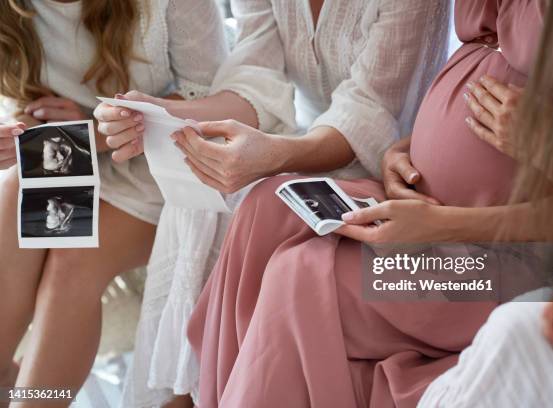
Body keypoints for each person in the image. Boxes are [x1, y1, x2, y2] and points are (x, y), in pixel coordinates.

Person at [185, 0, 553, 406]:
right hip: (426, 203)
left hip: (499, 258)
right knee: (267, 207)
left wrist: (443, 222)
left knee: (303, 277)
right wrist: (405, 149)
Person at [94, 1, 451, 406]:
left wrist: (277, 155)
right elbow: (254, 73)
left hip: (392, 169)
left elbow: (370, 110)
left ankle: (220, 388)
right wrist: (171, 116)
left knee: (260, 203)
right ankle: (188, 390)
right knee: (201, 199)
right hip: (297, 143)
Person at [0, 0, 226, 406]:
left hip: (166, 156)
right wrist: (17, 126)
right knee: (16, 189)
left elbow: (208, 90)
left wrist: (95, 131)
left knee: (72, 263)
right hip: (68, 148)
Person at [419, 1, 553, 405]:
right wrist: (404, 147)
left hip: (513, 263)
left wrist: (439, 222)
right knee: (287, 234)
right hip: (443, 233)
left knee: (325, 277)